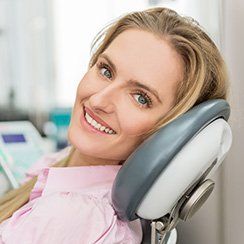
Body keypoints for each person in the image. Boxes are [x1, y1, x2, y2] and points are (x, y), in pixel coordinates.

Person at [0, 7, 228, 244]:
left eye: (140, 98)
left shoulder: (73, 215)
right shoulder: (68, 165)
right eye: (106, 71)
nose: (98, 100)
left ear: (168, 135)